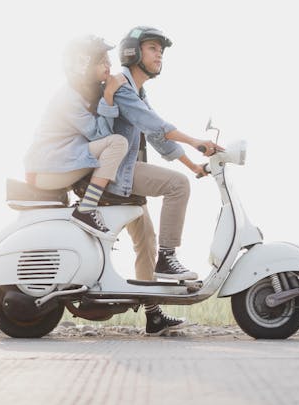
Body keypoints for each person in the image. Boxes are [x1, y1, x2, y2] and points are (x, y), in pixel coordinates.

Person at [109, 25, 223, 336]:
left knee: (145, 241)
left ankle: (153, 315)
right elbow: (155, 125)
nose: (159, 54)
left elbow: (159, 139)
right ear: (133, 52)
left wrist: (192, 165)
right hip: (117, 172)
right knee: (177, 186)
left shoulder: (137, 89)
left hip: (125, 173)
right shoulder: (122, 84)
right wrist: (196, 142)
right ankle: (169, 257)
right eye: (152, 48)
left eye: (161, 50)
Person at [24, 35, 128, 240]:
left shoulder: (85, 92)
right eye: (101, 61)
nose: (109, 65)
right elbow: (101, 135)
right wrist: (109, 96)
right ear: (84, 65)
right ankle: (85, 210)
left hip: (61, 162)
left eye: (108, 59)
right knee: (117, 143)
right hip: (46, 170)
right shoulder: (68, 97)